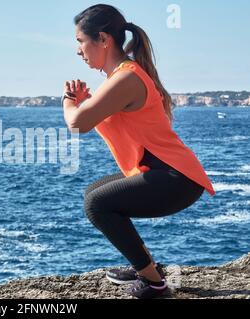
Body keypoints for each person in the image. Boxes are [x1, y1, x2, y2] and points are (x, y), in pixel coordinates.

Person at [62, 4, 216, 299]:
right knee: (96, 190)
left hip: (176, 179)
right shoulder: (121, 77)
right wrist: (85, 101)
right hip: (169, 175)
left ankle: (155, 286)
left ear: (104, 39)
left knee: (97, 203)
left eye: (81, 41)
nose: (78, 50)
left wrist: (69, 101)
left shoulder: (127, 78)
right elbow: (105, 118)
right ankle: (147, 268)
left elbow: (78, 123)